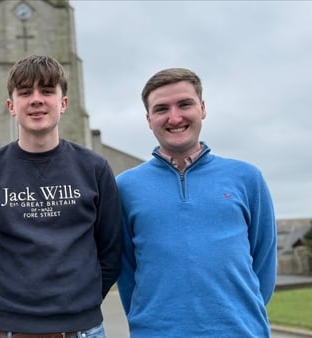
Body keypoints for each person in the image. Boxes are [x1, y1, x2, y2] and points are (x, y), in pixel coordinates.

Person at [0, 55, 122, 338]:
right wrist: (5, 310)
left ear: (63, 103)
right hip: (11, 329)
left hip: (84, 329)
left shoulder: (95, 169)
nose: (36, 100)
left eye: (47, 91)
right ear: (11, 106)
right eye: (25, 93)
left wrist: (82, 305)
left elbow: (111, 251)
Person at [116, 68, 277, 337]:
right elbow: (126, 270)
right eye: (161, 109)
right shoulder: (125, 187)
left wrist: (239, 314)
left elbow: (263, 260)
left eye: (184, 104)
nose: (174, 117)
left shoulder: (247, 178)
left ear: (202, 108)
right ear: (148, 119)